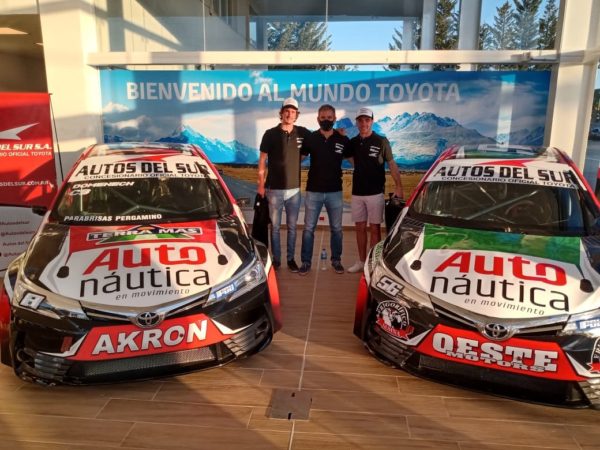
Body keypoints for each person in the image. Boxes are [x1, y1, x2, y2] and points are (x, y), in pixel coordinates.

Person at [347, 107, 403, 273]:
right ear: (357, 122)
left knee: (375, 228)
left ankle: (374, 263)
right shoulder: (353, 142)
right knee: (359, 227)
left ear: (372, 121)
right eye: (360, 120)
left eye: (367, 120)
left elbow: (391, 164)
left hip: (375, 193)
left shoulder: (381, 141)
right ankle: (361, 261)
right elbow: (349, 157)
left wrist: (398, 185)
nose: (364, 123)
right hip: (357, 193)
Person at [257, 97, 310, 271]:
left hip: (294, 191)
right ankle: (277, 260)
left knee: (293, 227)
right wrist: (261, 185)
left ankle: (291, 259)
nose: (289, 114)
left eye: (293, 112)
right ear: (281, 113)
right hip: (274, 190)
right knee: (275, 227)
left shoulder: (302, 133)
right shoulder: (270, 134)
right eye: (287, 111)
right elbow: (263, 160)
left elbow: (317, 140)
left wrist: (338, 133)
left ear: (296, 115)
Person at [298, 104, 351, 275]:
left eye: (329, 117)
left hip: (335, 191)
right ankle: (306, 262)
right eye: (323, 117)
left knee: (336, 229)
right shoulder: (311, 138)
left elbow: (356, 160)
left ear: (334, 119)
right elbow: (298, 158)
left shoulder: (342, 139)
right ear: (318, 119)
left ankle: (336, 260)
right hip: (313, 191)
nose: (326, 120)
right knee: (308, 229)